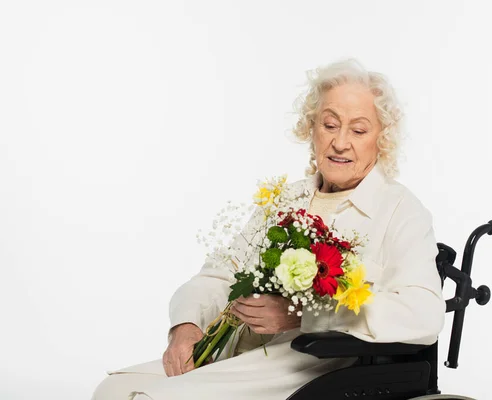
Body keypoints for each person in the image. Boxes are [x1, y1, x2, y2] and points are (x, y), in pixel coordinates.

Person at [92, 57, 446, 400]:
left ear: (380, 139)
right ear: (311, 129)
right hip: (240, 351)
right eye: (329, 124)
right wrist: (186, 326)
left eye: (358, 129)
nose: (340, 142)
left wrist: (304, 314)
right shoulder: (286, 200)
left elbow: (423, 313)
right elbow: (220, 275)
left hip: (312, 365)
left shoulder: (401, 210)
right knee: (112, 391)